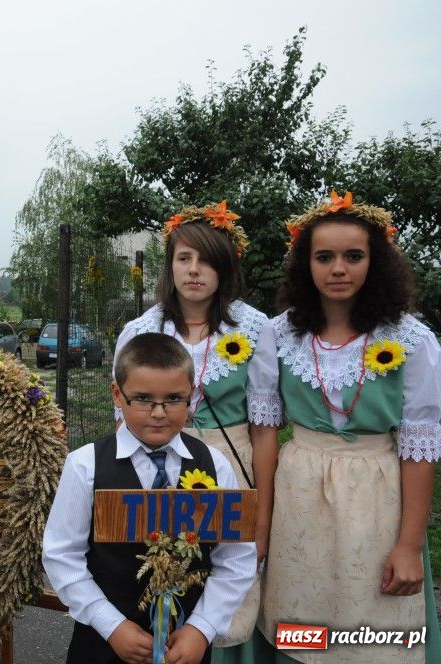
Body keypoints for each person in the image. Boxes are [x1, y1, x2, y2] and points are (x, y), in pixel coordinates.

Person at [256, 192, 441, 663]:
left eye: (353, 256)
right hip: (299, 495)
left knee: (371, 625)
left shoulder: (410, 340)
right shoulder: (279, 335)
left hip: (376, 495)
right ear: (306, 265)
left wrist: (408, 544)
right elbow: (264, 437)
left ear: (374, 263)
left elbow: (419, 448)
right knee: (303, 628)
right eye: (325, 257)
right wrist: (261, 527)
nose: (338, 268)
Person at [113, 202, 279, 656]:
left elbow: (265, 430)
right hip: (160, 467)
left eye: (206, 260)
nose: (194, 270)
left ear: (225, 268)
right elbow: (125, 423)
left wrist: (261, 518)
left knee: (228, 573)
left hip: (233, 464)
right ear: (170, 266)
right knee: (164, 574)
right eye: (184, 258)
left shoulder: (256, 329)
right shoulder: (142, 330)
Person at [46, 333, 255, 664]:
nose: (159, 413)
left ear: (192, 398)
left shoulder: (215, 466)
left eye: (174, 398)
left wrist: (201, 628)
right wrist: (110, 624)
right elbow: (62, 555)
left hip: (184, 646)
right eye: (143, 398)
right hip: (104, 645)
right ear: (118, 394)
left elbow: (236, 558)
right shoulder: (85, 466)